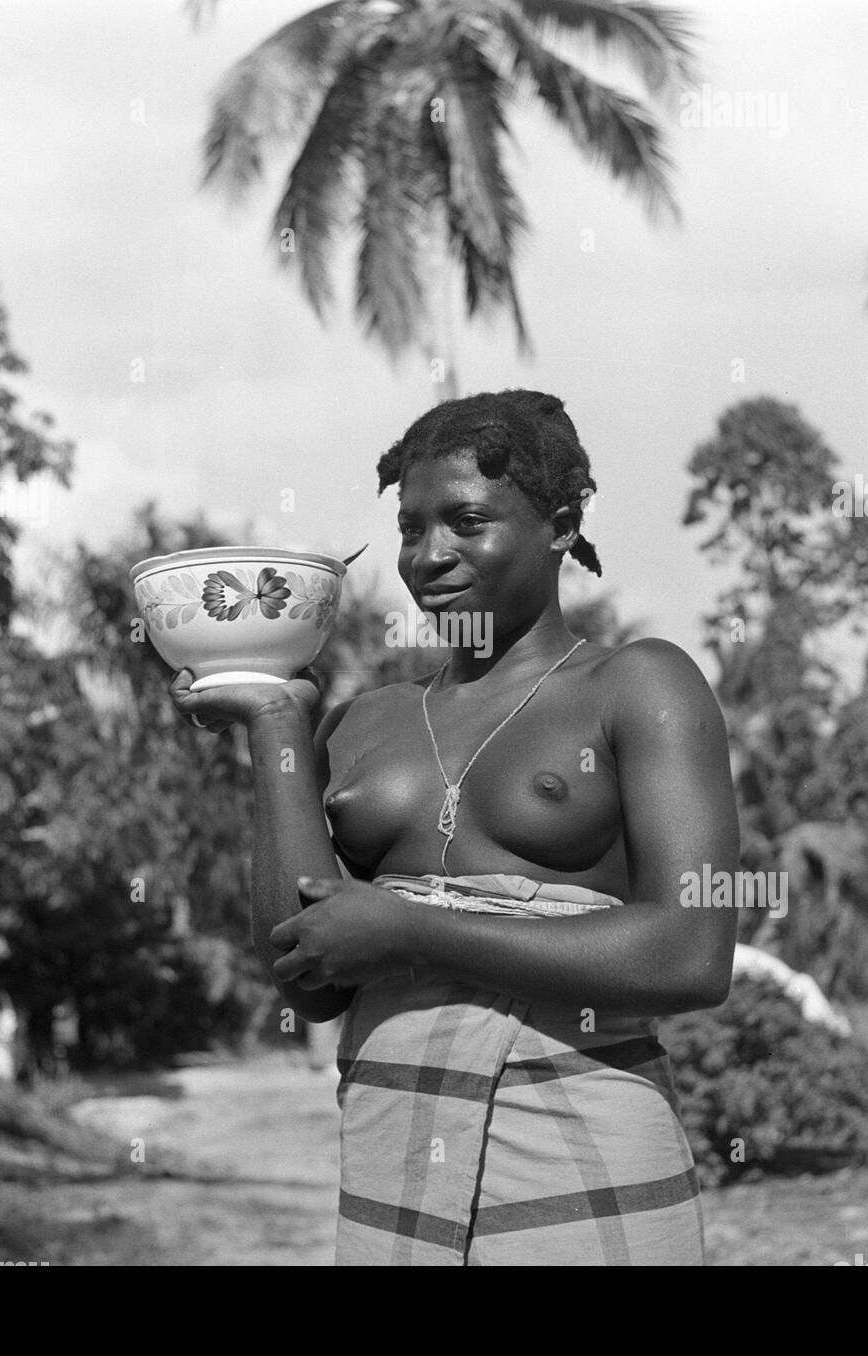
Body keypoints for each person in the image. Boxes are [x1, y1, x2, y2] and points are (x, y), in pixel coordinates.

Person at [170, 389, 740, 1265]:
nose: (429, 556)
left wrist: (411, 930)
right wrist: (276, 726)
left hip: (581, 1148)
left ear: (558, 526)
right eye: (410, 528)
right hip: (393, 1160)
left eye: (467, 522)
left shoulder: (637, 685)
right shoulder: (365, 722)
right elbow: (309, 982)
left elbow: (692, 950)